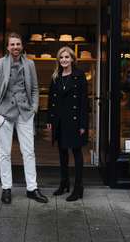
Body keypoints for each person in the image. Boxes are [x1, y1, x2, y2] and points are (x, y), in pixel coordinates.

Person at [0, 32, 48, 204]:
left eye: (18, 44)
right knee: (4, 153)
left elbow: (34, 89)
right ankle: (6, 188)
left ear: (22, 46)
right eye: (12, 44)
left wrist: (34, 108)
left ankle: (32, 188)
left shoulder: (30, 65)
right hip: (4, 114)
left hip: (25, 113)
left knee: (28, 152)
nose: (15, 47)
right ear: (7, 47)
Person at [47, 46, 88, 201]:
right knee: (62, 153)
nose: (64, 60)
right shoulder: (56, 76)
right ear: (59, 60)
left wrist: (83, 124)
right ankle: (64, 183)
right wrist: (50, 120)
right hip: (60, 120)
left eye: (67, 57)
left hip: (75, 121)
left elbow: (84, 102)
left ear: (72, 59)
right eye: (61, 57)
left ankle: (78, 188)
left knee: (77, 153)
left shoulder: (79, 75)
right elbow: (52, 100)